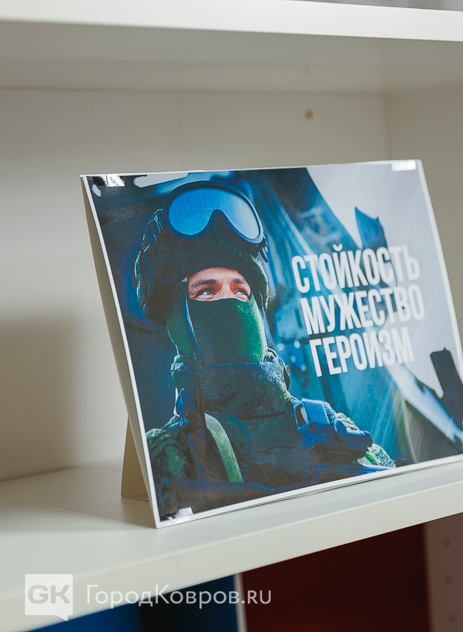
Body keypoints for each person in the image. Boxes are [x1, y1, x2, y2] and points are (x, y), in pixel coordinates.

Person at [133, 181, 394, 518]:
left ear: (257, 307)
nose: (229, 303)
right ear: (175, 319)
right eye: (206, 292)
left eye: (240, 291)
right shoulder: (166, 454)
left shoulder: (331, 428)